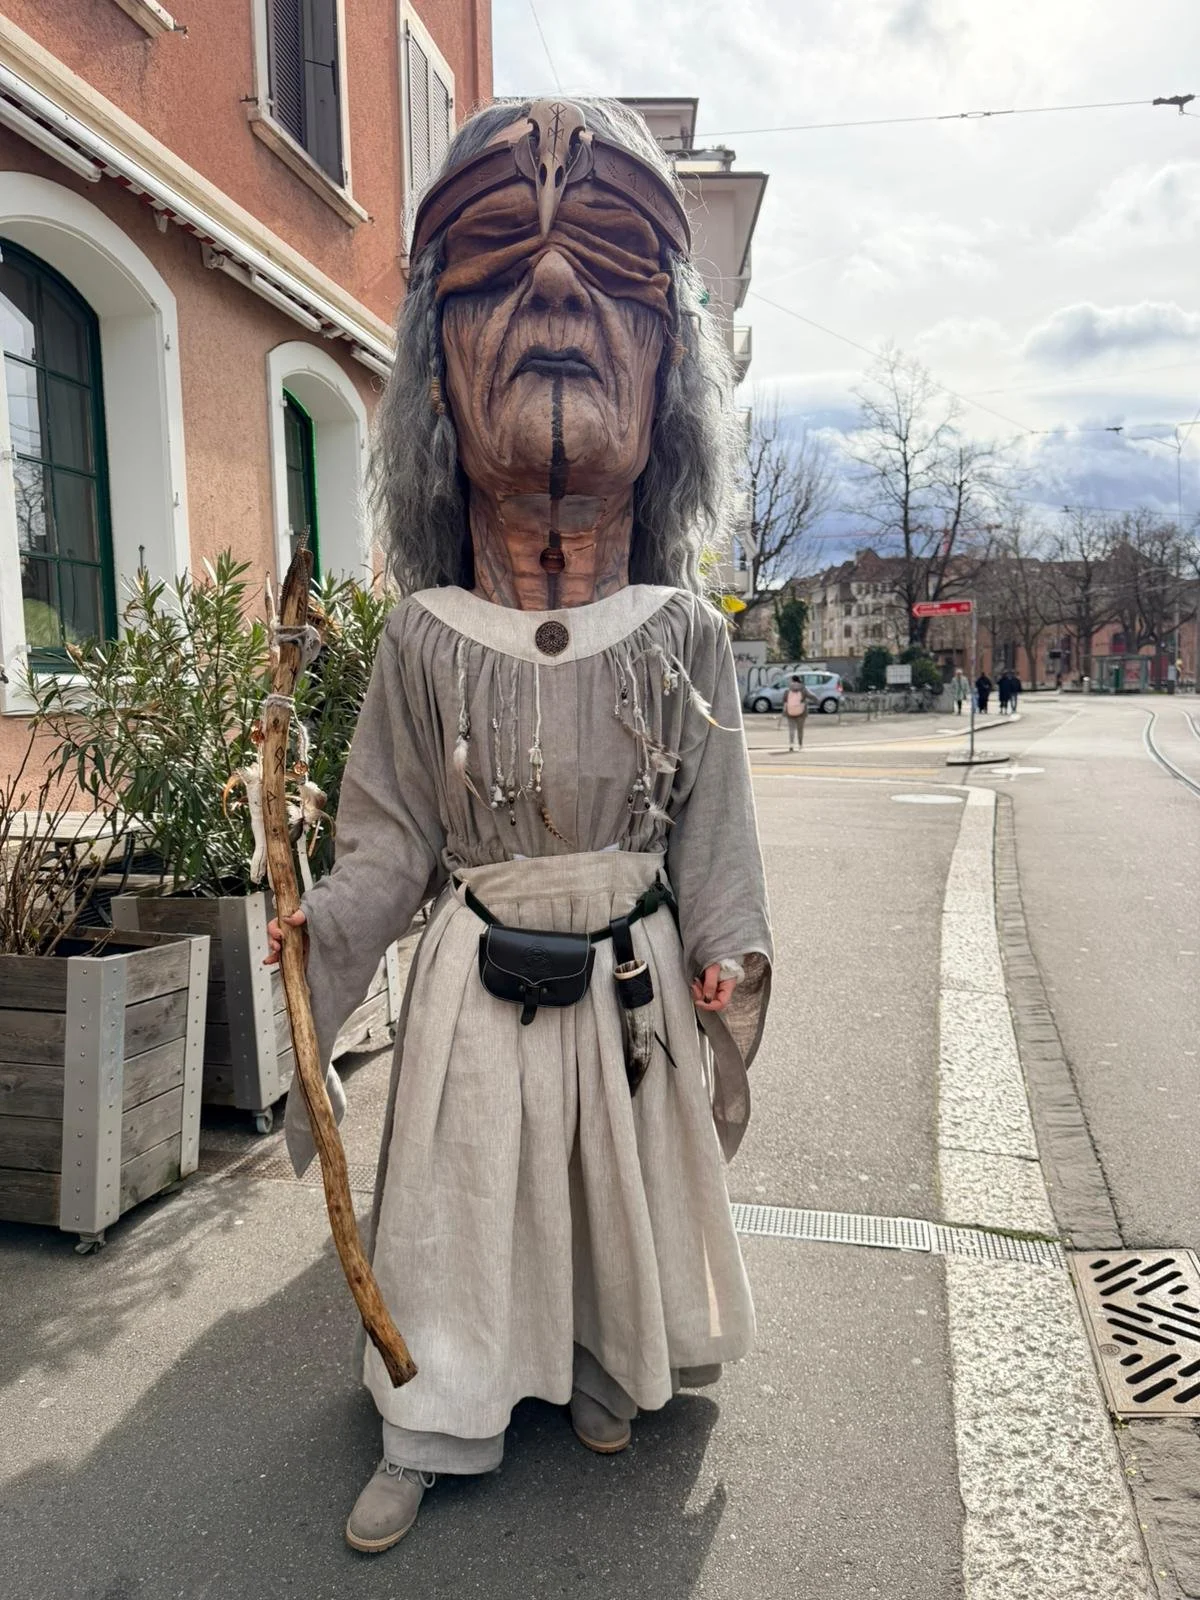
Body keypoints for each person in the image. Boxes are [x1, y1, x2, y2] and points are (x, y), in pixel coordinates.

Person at [266, 97, 772, 1555]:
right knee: (464, 1210)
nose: (555, 287)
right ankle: (436, 1411)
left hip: (627, 986)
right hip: (479, 996)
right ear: (436, 369)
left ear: (670, 361)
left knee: (605, 1191)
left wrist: (724, 951)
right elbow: (387, 843)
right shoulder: (423, 637)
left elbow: (718, 832)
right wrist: (328, 931)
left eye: (612, 266)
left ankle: (609, 1358)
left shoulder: (685, 631)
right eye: (496, 260)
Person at [782, 674, 811, 749]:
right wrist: (817, 700)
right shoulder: (803, 689)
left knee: (791, 729)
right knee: (800, 729)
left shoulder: (787, 690)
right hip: (802, 712)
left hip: (790, 711)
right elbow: (811, 695)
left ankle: (791, 745)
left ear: (792, 681)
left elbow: (784, 701)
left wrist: (784, 711)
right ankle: (800, 745)